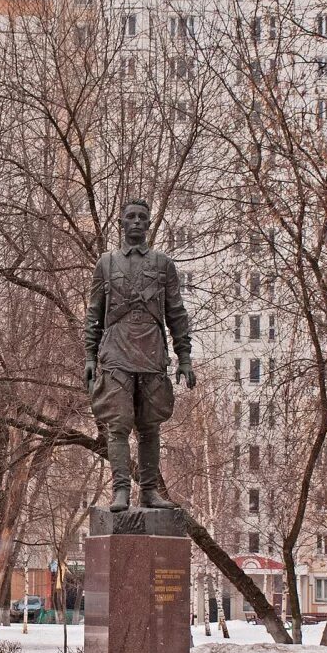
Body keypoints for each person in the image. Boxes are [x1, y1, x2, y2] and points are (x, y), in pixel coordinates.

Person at [83, 198, 195, 512]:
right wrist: (90, 358)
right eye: (130, 216)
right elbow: (94, 315)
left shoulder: (163, 264)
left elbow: (176, 314)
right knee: (118, 425)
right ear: (121, 222)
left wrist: (184, 357)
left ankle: (148, 492)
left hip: (151, 352)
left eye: (142, 217)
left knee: (149, 426)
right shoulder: (106, 263)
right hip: (116, 351)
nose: (136, 221)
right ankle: (121, 490)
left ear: (148, 224)